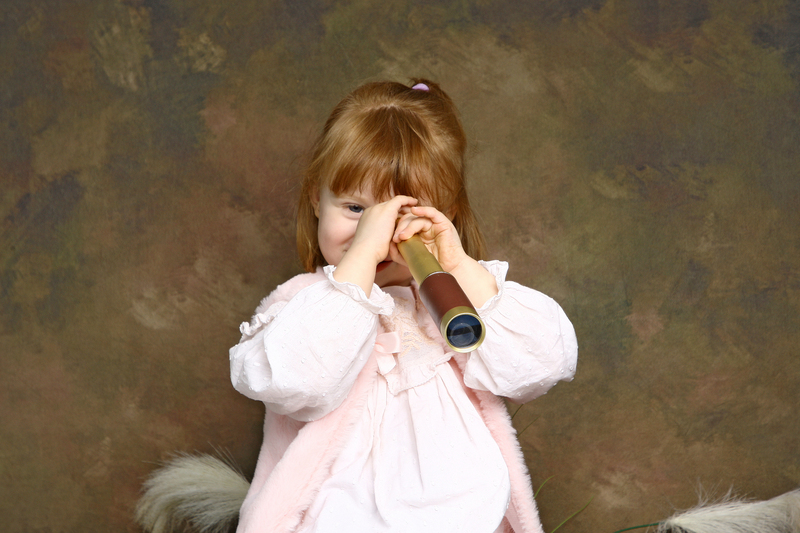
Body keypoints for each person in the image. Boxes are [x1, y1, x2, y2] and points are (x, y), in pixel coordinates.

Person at [227, 79, 578, 533]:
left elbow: (542, 365)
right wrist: (360, 261)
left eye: (403, 215)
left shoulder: (453, 301)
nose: (377, 231)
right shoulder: (304, 305)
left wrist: (459, 268)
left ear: (447, 213)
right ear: (316, 198)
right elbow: (296, 382)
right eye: (356, 209)